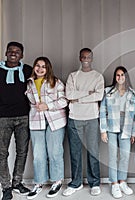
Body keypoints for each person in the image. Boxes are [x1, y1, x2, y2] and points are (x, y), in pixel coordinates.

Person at [63, 48, 104, 197]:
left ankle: (94, 183)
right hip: (74, 118)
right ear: (79, 58)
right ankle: (76, 182)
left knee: (93, 152)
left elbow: (99, 96)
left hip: (92, 118)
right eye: (83, 57)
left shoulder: (98, 76)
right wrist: (88, 93)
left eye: (88, 57)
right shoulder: (73, 76)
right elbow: (69, 95)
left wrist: (78, 98)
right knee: (75, 152)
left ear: (92, 58)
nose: (86, 59)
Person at [25, 57, 68, 199]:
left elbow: (64, 100)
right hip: (36, 121)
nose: (40, 69)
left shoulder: (55, 82)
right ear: (34, 67)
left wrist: (48, 106)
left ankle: (57, 181)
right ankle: (39, 182)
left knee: (55, 152)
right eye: (37, 65)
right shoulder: (29, 83)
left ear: (48, 68)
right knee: (38, 154)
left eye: (43, 66)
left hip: (55, 121)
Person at [0, 41, 31, 200]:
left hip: (24, 118)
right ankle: (5, 186)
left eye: (17, 51)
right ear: (5, 53)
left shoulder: (27, 70)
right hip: (2, 118)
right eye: (10, 51)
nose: (13, 53)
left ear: (22, 55)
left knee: (22, 151)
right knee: (1, 153)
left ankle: (17, 182)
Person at [100, 66, 135, 198]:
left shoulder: (132, 93)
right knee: (113, 155)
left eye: (122, 75)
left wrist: (133, 133)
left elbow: (134, 116)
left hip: (126, 125)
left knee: (125, 156)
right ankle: (114, 183)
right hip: (111, 125)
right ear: (115, 77)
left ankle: (122, 181)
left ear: (126, 77)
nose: (120, 78)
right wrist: (103, 130)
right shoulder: (108, 91)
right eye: (118, 75)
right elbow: (102, 111)